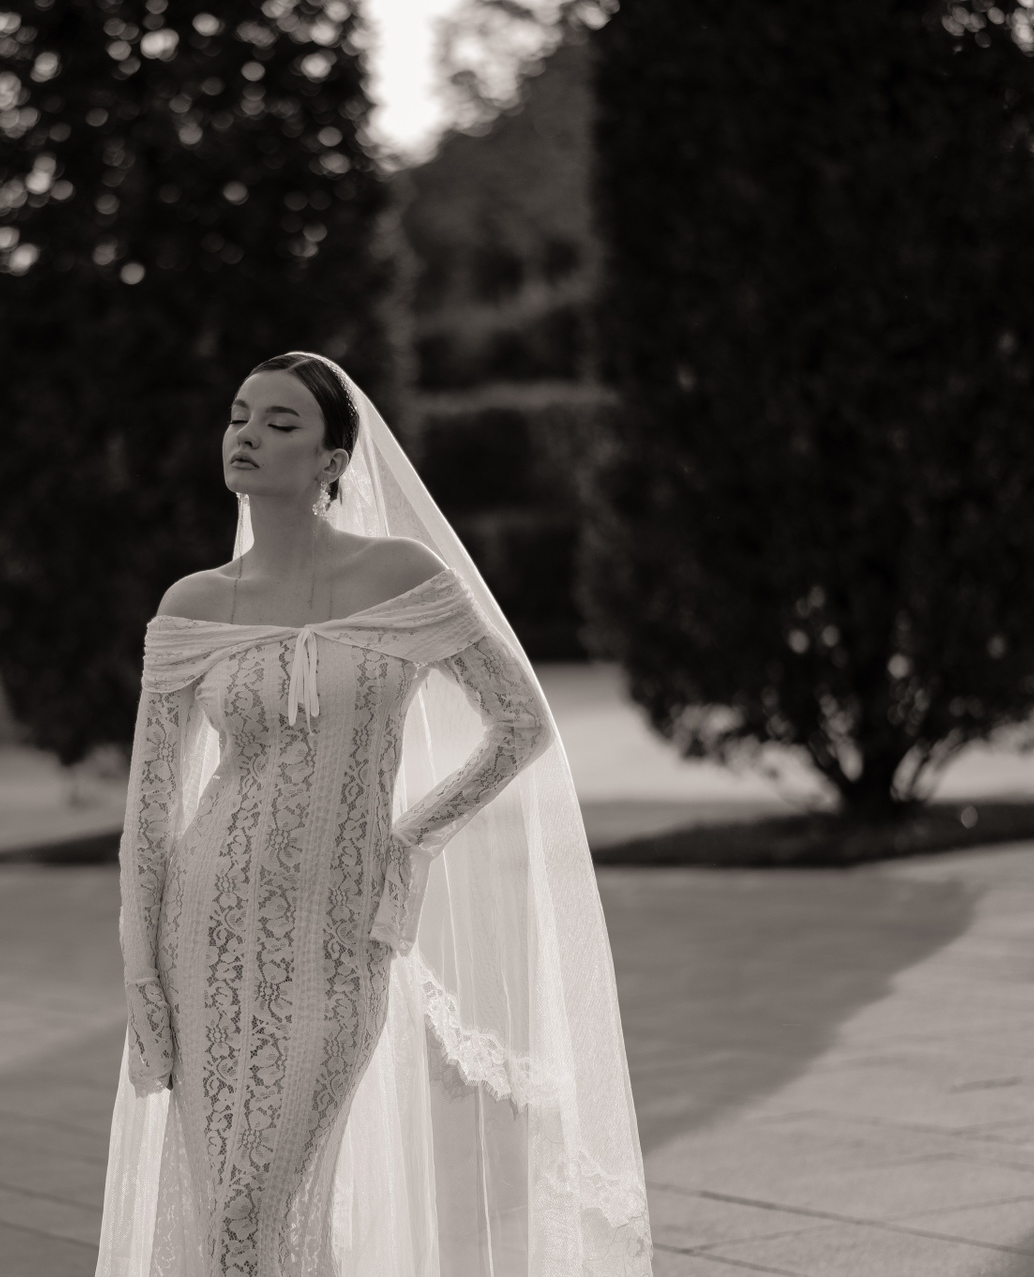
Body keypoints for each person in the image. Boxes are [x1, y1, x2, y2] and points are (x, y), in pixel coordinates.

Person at [96, 354, 651, 1277]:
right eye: (239, 415)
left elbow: (520, 724)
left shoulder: (402, 578)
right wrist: (143, 978)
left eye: (281, 422)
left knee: (260, 1198)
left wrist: (409, 840)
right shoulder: (192, 605)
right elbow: (149, 817)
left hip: (338, 935)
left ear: (332, 460)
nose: (247, 435)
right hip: (206, 931)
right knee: (231, 1207)